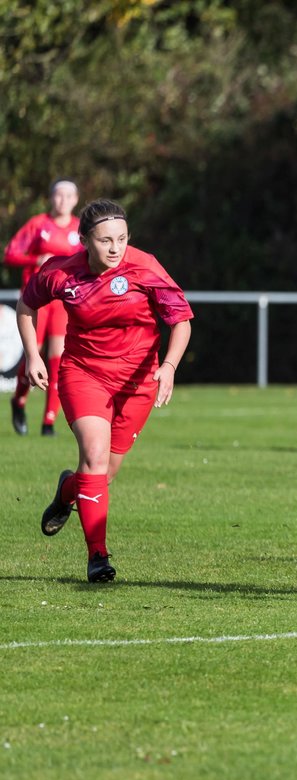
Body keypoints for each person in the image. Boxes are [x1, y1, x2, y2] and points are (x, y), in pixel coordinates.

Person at [18, 200, 193, 583]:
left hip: (138, 381)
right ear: (84, 241)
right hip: (84, 374)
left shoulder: (144, 267)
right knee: (95, 457)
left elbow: (180, 320)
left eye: (122, 239)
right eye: (105, 240)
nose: (115, 248)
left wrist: (169, 367)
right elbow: (27, 306)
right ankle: (98, 557)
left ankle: (68, 490)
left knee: (104, 474)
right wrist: (33, 355)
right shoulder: (61, 273)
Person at [5, 179, 81, 436]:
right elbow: (10, 253)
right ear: (51, 198)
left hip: (63, 301)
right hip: (37, 301)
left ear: (76, 200)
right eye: (58, 195)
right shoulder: (38, 224)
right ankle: (19, 400)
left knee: (58, 359)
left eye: (68, 195)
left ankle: (49, 422)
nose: (63, 200)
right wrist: (35, 259)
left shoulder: (80, 230)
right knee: (32, 356)